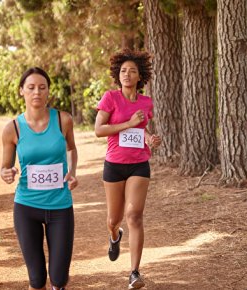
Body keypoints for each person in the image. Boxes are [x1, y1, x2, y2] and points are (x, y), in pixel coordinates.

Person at [0, 67, 78, 290]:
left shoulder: (64, 120)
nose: (37, 92)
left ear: (48, 92)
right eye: (31, 87)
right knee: (36, 279)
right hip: (27, 207)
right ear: (21, 91)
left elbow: (71, 149)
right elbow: (5, 167)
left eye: (42, 87)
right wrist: (6, 173)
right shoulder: (12, 128)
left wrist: (72, 172)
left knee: (59, 278)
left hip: (60, 206)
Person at [94, 49, 161, 290]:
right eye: (123, 70)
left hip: (138, 164)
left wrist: (150, 139)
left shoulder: (146, 102)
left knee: (134, 215)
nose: (127, 74)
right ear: (117, 74)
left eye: (132, 70)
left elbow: (140, 131)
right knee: (114, 219)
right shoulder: (110, 98)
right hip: (114, 165)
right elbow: (99, 129)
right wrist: (129, 123)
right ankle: (114, 236)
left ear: (139, 75)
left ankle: (134, 272)